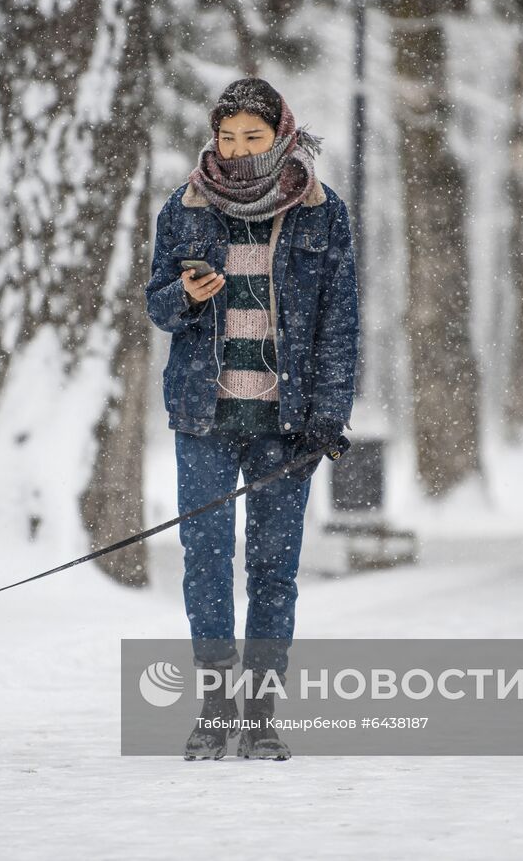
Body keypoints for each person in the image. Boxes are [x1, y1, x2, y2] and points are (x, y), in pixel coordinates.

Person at [144, 78, 358, 761]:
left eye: (251, 137)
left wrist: (328, 412)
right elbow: (156, 305)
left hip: (285, 422)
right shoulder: (185, 208)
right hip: (202, 415)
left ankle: (261, 712)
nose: (235, 150)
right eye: (226, 136)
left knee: (273, 568)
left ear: (282, 136)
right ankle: (214, 707)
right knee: (205, 563)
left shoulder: (323, 214)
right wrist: (184, 295)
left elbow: (339, 322)